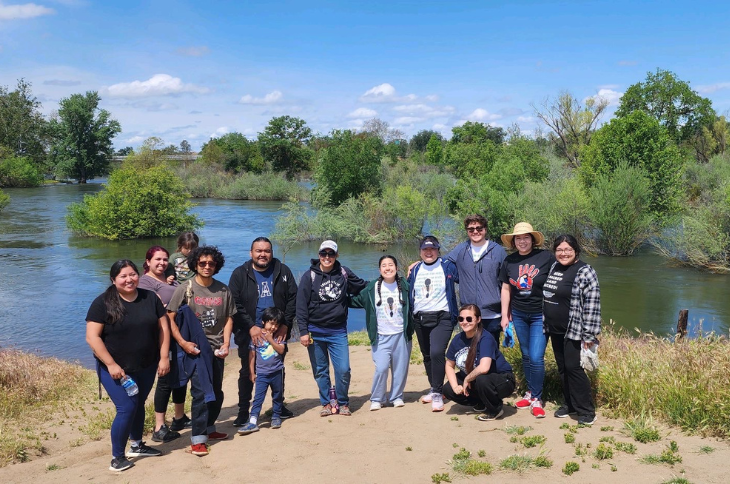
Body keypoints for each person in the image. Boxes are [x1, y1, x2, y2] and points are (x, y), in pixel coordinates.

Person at [85, 260, 170, 472]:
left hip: (147, 364)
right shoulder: (102, 303)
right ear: (113, 280)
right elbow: (92, 337)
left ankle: (137, 445)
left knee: (139, 403)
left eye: (132, 274)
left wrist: (163, 357)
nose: (129, 279)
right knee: (127, 408)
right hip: (116, 370)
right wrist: (111, 364)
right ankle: (117, 457)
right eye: (123, 276)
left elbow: (163, 329)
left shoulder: (150, 298)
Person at [167, 246, 236, 456]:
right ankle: (197, 440)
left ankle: (208, 428)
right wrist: (183, 343)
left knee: (216, 392)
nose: (207, 266)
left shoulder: (223, 290)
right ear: (195, 264)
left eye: (211, 263)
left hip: (216, 349)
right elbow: (170, 317)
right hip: (195, 350)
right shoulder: (185, 288)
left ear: (217, 266)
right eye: (202, 263)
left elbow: (229, 318)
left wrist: (226, 344)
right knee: (200, 393)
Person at [228, 236, 297, 426]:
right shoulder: (240, 274)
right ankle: (244, 411)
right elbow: (235, 303)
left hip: (276, 330)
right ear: (251, 253)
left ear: (271, 252)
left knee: (277, 369)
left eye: (267, 250)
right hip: (248, 332)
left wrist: (286, 324)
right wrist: (251, 326)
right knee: (248, 371)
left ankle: (278, 407)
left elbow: (293, 298)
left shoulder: (282, 270)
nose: (263, 254)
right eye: (258, 251)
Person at [297, 240, 366, 417]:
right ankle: (327, 403)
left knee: (343, 369)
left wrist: (388, 279)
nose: (327, 257)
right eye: (324, 254)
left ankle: (343, 402)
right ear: (319, 255)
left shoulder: (343, 273)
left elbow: (363, 286)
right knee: (320, 370)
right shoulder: (309, 276)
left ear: (337, 256)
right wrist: (303, 332)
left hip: (338, 332)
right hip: (315, 332)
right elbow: (301, 305)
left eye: (331, 254)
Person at [543, 235, 601, 426]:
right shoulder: (554, 267)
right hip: (555, 329)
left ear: (576, 251)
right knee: (562, 368)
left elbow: (592, 305)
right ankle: (570, 404)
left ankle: (586, 410)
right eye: (559, 250)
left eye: (568, 249)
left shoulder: (585, 271)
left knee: (574, 368)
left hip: (574, 330)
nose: (563, 253)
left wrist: (589, 334)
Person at [499, 222, 555, 418]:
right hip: (519, 314)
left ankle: (537, 399)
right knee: (525, 355)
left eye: (526, 237)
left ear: (533, 239)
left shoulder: (546, 257)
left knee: (536, 356)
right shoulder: (509, 261)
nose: (522, 241)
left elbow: (563, 272)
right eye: (518, 238)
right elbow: (506, 289)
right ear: (513, 241)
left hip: (540, 314)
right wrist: (505, 315)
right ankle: (530, 393)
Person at [138, 246, 190, 443]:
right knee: (166, 378)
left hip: (178, 333)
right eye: (157, 259)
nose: (161, 263)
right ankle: (159, 426)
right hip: (162, 336)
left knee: (180, 375)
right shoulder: (145, 282)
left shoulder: (169, 278)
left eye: (165, 259)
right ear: (148, 261)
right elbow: (155, 309)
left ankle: (179, 417)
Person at [350, 255, 414, 410]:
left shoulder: (405, 286)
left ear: (396, 268)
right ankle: (377, 398)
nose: (388, 268)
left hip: (401, 335)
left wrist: (415, 268)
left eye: (391, 265)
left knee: (400, 368)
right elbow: (355, 300)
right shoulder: (371, 288)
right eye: (384, 265)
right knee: (382, 367)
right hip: (380, 336)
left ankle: (397, 396)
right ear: (379, 269)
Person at [406, 235, 459, 412]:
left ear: (438, 250)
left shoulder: (447, 266)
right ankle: (434, 387)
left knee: (437, 352)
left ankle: (437, 393)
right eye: (425, 249)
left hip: (442, 316)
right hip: (420, 317)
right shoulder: (415, 269)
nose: (429, 252)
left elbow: (466, 276)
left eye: (433, 249)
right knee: (427, 355)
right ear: (420, 252)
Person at [443, 305, 515, 421]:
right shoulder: (457, 339)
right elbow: (449, 365)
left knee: (482, 379)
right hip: (476, 379)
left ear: (478, 319)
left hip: (502, 379)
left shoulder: (485, 338)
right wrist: (455, 386)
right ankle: (480, 403)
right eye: (461, 319)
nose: (464, 322)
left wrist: (467, 379)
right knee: (448, 389)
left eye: (469, 319)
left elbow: (484, 368)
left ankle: (495, 409)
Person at [446, 214, 507, 345]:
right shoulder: (461, 249)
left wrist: (506, 313)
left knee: (491, 353)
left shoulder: (498, 251)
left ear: (485, 229)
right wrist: (418, 263)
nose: (475, 232)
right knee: (470, 352)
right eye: (471, 229)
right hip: (469, 314)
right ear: (467, 231)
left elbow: (507, 284)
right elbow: (443, 263)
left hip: (492, 315)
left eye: (479, 228)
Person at [238, 307, 287, 435]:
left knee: (277, 395)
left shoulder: (279, 337)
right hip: (262, 374)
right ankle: (253, 421)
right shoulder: (257, 337)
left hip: (277, 371)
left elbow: (281, 350)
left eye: (276, 325)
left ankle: (276, 416)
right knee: (258, 398)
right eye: (271, 323)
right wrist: (252, 372)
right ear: (264, 322)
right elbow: (252, 355)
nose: (273, 327)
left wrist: (271, 339)